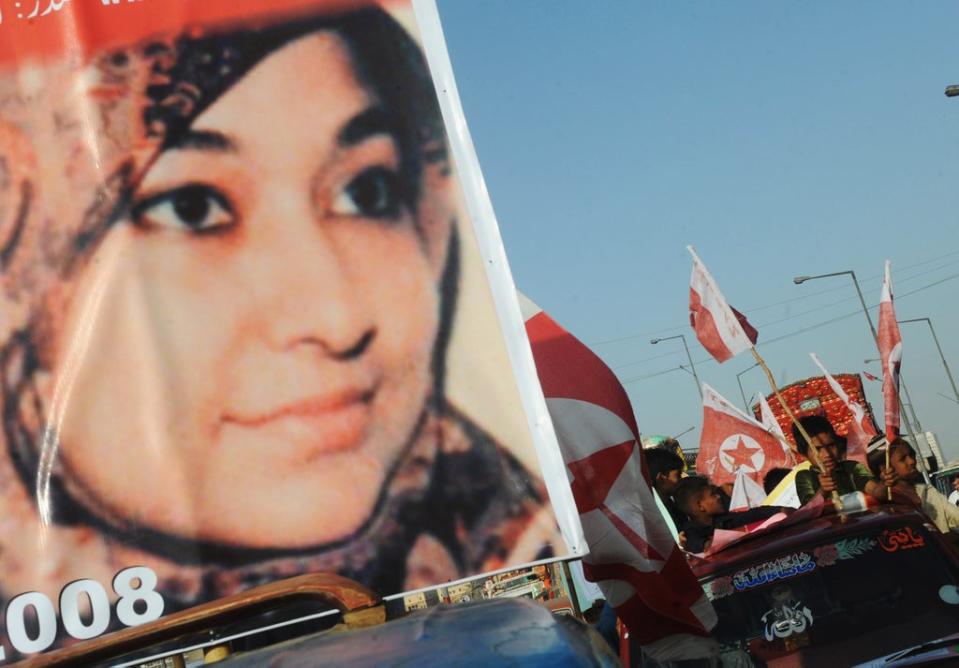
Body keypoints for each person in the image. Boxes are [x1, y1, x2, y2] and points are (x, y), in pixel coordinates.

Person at [0, 5, 558, 619]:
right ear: (26, 278)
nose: (335, 317)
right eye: (192, 206)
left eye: (366, 191)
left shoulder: (518, 572)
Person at [792, 415, 890, 505]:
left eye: (831, 446)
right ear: (804, 454)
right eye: (817, 449)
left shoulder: (851, 468)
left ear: (838, 444)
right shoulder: (805, 477)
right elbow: (809, 510)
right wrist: (823, 491)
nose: (827, 454)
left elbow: (875, 491)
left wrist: (885, 482)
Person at [869, 440, 959, 533]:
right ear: (885, 468)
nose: (912, 461)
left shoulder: (927, 491)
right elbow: (877, 495)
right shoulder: (885, 500)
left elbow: (955, 516)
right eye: (903, 459)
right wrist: (884, 484)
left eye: (911, 455)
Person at [674, 477, 784, 553]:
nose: (718, 497)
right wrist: (707, 544)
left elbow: (752, 514)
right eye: (713, 494)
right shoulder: (690, 532)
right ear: (700, 506)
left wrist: (780, 509)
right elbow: (694, 542)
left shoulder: (725, 520)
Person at [645, 446, 687, 529]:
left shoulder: (675, 508)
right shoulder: (647, 514)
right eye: (678, 475)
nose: (681, 479)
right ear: (661, 478)